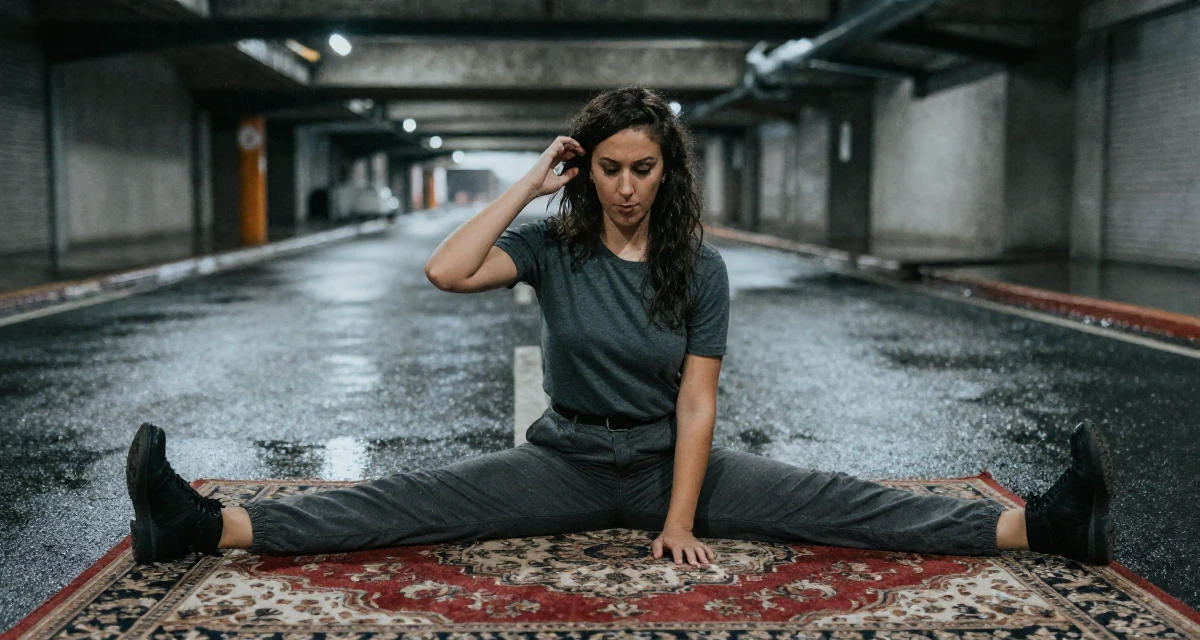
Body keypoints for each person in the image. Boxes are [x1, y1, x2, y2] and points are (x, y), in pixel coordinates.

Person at [125, 87, 1114, 569]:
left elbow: (698, 402)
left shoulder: (703, 269)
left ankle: (1039, 524)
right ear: (585, 169)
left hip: (669, 464)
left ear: (665, 174)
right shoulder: (553, 247)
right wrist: (529, 177)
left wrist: (679, 518)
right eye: (610, 167)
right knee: (414, 501)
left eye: (645, 168)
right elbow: (445, 268)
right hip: (562, 457)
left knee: (830, 499)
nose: (628, 186)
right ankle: (204, 525)